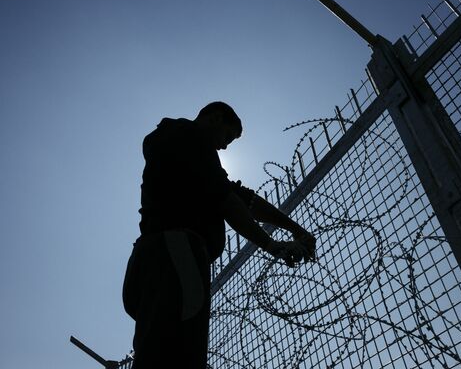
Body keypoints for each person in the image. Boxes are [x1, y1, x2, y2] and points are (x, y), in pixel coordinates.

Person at [122, 101, 316, 369]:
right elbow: (227, 201)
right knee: (179, 355)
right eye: (227, 137)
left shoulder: (184, 154)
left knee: (156, 349)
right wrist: (271, 245)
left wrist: (295, 229)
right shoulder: (189, 137)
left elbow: (240, 197)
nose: (224, 147)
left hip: (154, 257)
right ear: (214, 117)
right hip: (177, 254)